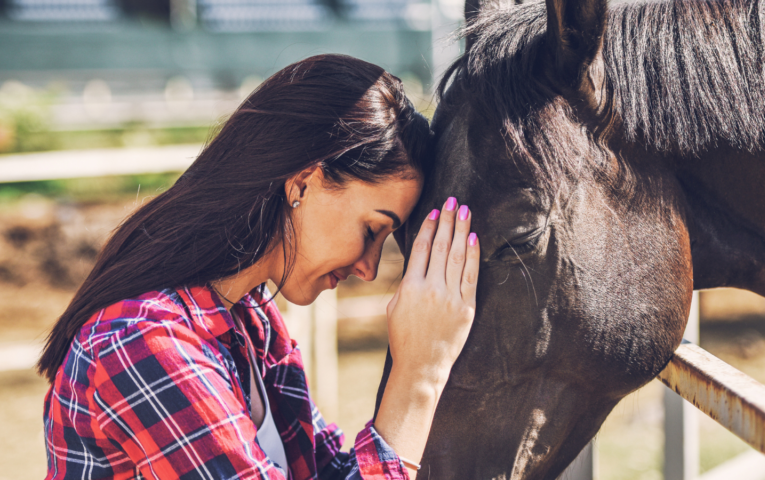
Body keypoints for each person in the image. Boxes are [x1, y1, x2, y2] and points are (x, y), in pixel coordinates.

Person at [38, 54, 480, 480]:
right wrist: (419, 376)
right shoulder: (144, 343)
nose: (368, 268)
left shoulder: (252, 326)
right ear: (304, 182)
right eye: (371, 230)